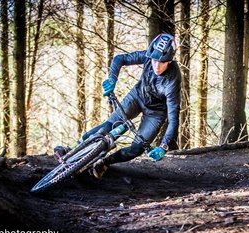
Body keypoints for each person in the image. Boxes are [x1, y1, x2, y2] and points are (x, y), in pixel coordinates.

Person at [54, 33, 181, 179]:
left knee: (137, 148)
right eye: (154, 60)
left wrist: (163, 146)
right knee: (109, 125)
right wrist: (112, 79)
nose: (156, 65)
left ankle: (105, 163)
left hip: (156, 112)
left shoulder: (172, 81)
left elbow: (173, 118)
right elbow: (119, 59)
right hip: (138, 96)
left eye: (161, 62)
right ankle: (71, 149)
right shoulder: (147, 56)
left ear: (169, 61)